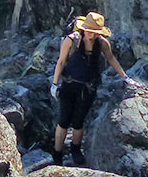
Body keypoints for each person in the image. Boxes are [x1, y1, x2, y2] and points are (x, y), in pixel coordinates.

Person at [50, 11, 130, 166]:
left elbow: (111, 58)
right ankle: (57, 153)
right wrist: (55, 83)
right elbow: (61, 62)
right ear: (83, 28)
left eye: (94, 32)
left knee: (79, 121)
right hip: (69, 85)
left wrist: (124, 77)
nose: (91, 35)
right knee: (64, 120)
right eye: (89, 31)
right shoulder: (71, 41)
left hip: (88, 87)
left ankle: (75, 149)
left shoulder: (102, 43)